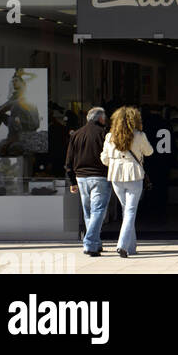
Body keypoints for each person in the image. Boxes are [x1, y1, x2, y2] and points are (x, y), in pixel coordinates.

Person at [100, 105, 154, 259]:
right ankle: (122, 245)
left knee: (127, 211)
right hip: (134, 175)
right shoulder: (139, 135)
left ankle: (131, 247)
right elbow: (149, 152)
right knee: (130, 211)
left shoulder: (110, 137)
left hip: (116, 175)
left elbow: (104, 159)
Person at [65, 107, 111, 257]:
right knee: (98, 211)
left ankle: (95, 243)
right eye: (104, 118)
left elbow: (69, 160)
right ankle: (90, 243)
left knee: (88, 212)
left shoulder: (76, 134)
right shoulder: (104, 134)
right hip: (100, 176)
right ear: (100, 119)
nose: (105, 120)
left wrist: (72, 180)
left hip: (81, 177)